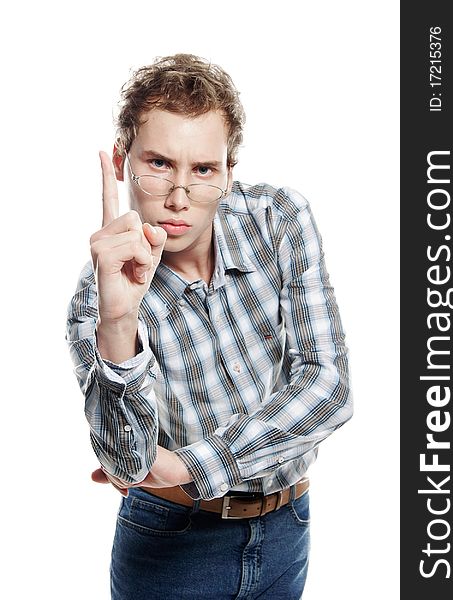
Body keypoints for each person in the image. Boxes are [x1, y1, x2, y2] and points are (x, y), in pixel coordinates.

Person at [66, 53, 353, 600]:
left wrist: (189, 463)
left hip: (286, 529)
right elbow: (128, 464)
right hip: (172, 546)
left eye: (203, 170)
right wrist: (119, 320)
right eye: (158, 164)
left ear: (228, 170)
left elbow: (329, 387)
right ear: (124, 161)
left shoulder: (278, 219)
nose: (180, 197)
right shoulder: (95, 296)